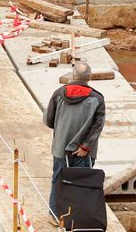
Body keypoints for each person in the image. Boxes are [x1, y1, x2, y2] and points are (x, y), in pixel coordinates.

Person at [43, 62, 105, 215]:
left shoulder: (59, 94)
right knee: (82, 184)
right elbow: (98, 126)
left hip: (60, 148)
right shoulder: (97, 98)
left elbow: (49, 121)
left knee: (58, 180)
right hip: (84, 152)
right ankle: (77, 220)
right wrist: (85, 146)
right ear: (89, 78)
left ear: (72, 76)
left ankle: (56, 215)